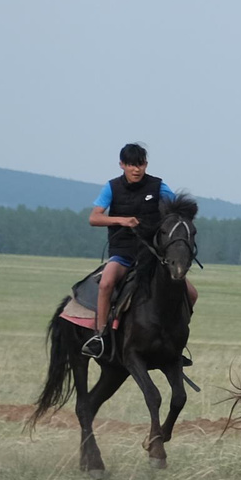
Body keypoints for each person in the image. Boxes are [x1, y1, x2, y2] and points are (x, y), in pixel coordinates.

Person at [84, 142, 177, 360]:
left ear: (146, 164)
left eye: (140, 164)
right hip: (123, 251)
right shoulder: (112, 187)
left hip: (152, 254)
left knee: (191, 293)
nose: (136, 169)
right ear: (122, 165)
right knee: (106, 283)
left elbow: (176, 206)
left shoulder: (158, 186)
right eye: (131, 165)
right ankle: (100, 336)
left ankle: (176, 338)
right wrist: (122, 220)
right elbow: (94, 217)